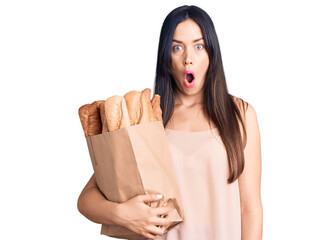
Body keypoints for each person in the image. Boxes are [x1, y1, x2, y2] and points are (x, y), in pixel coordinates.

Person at [77, 5, 263, 240]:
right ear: (166, 59)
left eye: (199, 46)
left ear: (211, 54)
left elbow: (250, 209)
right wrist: (123, 213)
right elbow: (86, 200)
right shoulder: (147, 118)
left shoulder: (240, 115)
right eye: (177, 48)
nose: (188, 59)